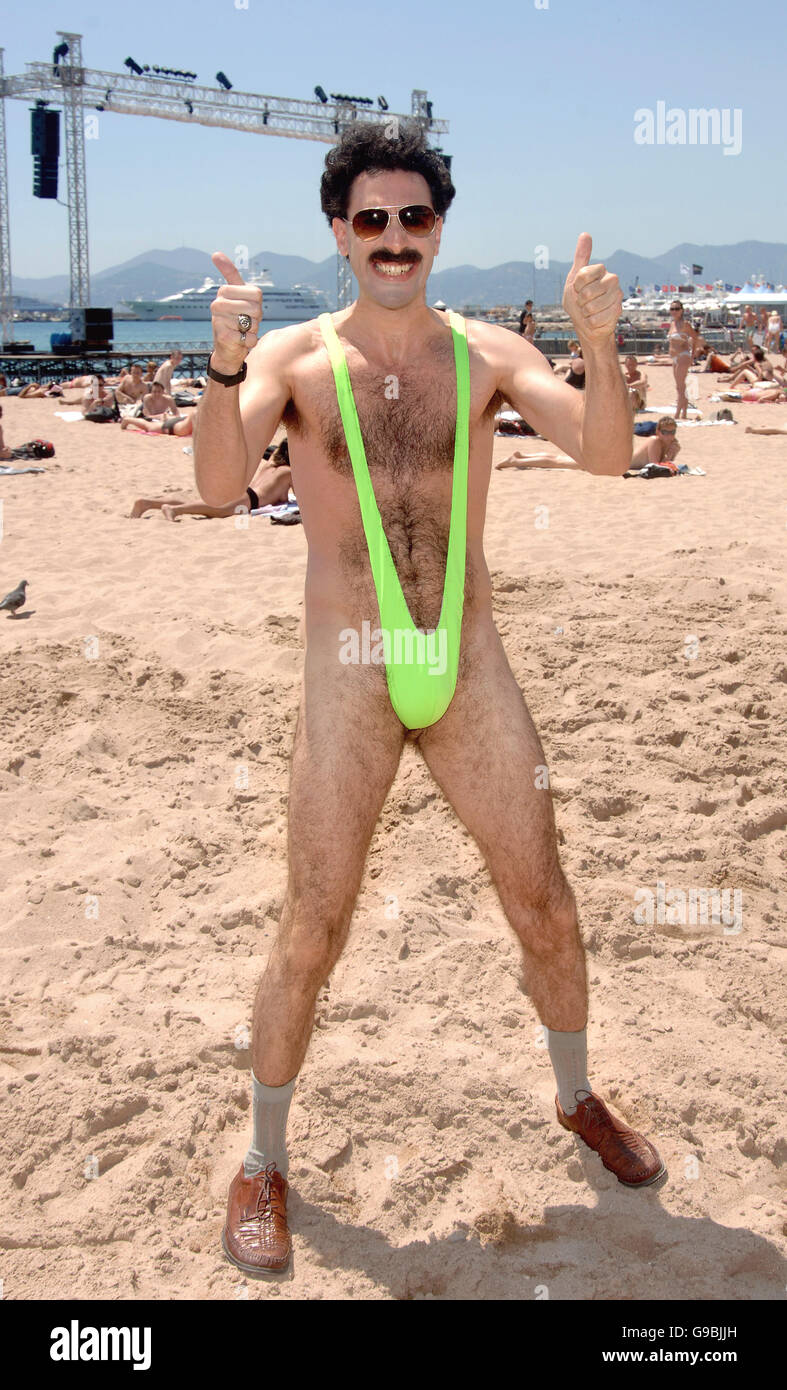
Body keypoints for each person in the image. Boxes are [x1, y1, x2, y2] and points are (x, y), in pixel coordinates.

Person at [194, 120, 664, 1277]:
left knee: (543, 897)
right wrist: (216, 359)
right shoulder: (294, 361)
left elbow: (605, 455)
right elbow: (213, 489)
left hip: (469, 660)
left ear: (439, 227)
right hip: (346, 671)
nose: (394, 239)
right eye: (372, 221)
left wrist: (601, 347)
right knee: (313, 923)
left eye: (413, 217)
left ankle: (576, 1096)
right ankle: (263, 1162)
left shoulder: (490, 354)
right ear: (340, 233)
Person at [130, 439, 292, 518]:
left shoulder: (271, 463)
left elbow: (279, 449)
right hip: (251, 499)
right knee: (216, 511)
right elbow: (299, 497)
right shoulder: (289, 472)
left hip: (244, 490)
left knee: (195, 502)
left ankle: (147, 503)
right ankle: (174, 510)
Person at [496, 415, 680, 474]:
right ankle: (516, 461)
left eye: (672, 432)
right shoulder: (655, 441)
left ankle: (522, 458)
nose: (669, 436)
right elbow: (656, 466)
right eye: (666, 432)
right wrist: (671, 455)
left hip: (610, 459)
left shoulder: (659, 441)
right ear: (658, 432)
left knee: (561, 459)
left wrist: (671, 452)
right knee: (560, 462)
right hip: (607, 462)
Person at [667, 301, 703, 419]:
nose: (674, 311)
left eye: (677, 309)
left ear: (682, 310)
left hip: (683, 356)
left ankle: (678, 413)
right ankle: (684, 413)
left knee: (681, 386)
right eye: (672, 309)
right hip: (675, 358)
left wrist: (693, 355)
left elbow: (696, 338)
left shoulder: (685, 324)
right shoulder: (672, 324)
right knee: (679, 387)